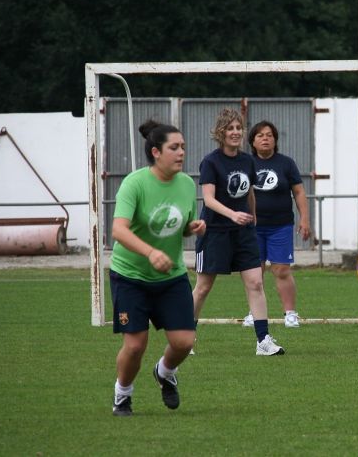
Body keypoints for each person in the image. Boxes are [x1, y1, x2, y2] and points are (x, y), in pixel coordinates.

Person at [110, 119, 206, 417]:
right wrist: (150, 252)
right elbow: (118, 230)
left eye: (183, 148)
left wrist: (192, 227)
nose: (181, 153)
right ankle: (122, 395)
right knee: (136, 345)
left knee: (183, 341)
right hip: (131, 277)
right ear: (156, 152)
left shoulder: (187, 184)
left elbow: (179, 227)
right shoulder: (135, 183)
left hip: (171, 276)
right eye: (174, 148)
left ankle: (164, 372)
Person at [191, 108, 285, 356]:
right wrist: (232, 214)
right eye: (230, 128)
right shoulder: (211, 162)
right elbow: (208, 200)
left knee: (255, 283)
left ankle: (263, 340)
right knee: (203, 288)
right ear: (220, 133)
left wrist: (252, 217)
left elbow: (249, 192)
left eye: (238, 128)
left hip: (243, 233)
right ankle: (185, 338)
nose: (235, 133)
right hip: (215, 233)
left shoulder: (247, 161)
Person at [241, 120, 310, 328]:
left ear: (275, 140)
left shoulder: (286, 163)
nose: (265, 138)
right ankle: (255, 313)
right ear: (253, 141)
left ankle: (290, 313)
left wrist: (305, 218)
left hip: (281, 225)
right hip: (252, 227)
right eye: (260, 135)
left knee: (281, 270)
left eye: (269, 135)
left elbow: (298, 191)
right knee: (255, 271)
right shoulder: (245, 163)